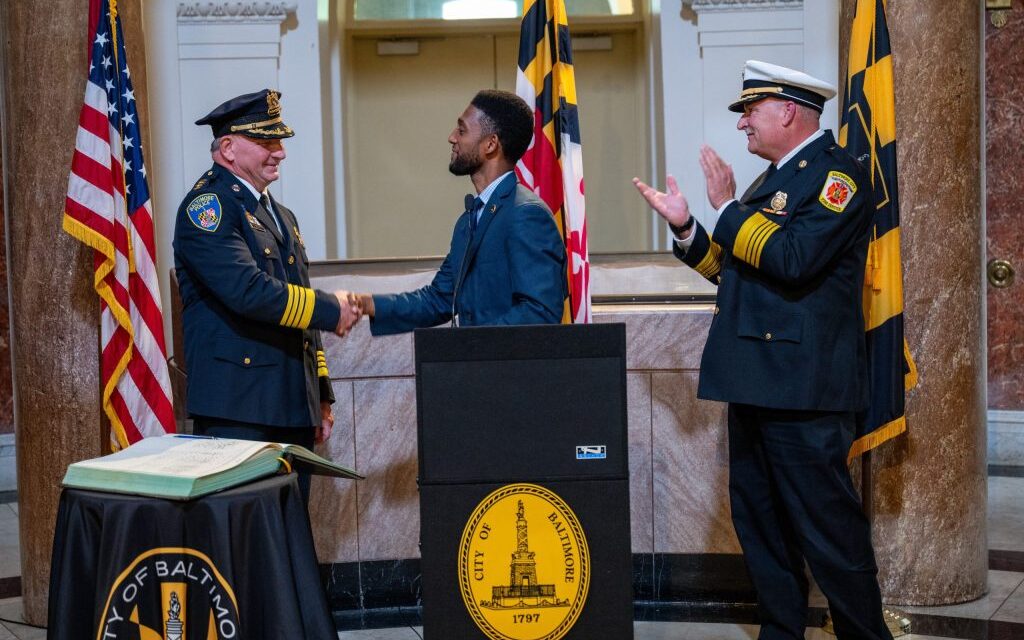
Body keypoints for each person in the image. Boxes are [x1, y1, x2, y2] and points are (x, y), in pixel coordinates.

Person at [633, 60, 892, 640]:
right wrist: (688, 230)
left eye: (751, 110)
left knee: (828, 533)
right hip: (757, 381)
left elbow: (793, 260)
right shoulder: (776, 179)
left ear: (789, 112)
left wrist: (726, 209)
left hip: (803, 391)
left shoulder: (836, 177)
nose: (744, 123)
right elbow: (737, 276)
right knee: (762, 529)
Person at [173, 89, 360, 502]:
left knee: (288, 531)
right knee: (244, 537)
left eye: (280, 141)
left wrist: (320, 394)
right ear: (227, 148)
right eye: (265, 142)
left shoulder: (281, 215)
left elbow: (299, 302)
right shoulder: (208, 208)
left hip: (290, 403)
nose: (279, 153)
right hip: (239, 410)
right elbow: (248, 291)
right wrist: (333, 309)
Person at [354, 89, 567, 333]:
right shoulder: (469, 220)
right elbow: (437, 300)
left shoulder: (526, 214)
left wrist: (468, 345)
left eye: (462, 130)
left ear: (490, 144)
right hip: (474, 367)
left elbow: (540, 312)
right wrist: (368, 304)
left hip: (507, 369)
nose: (452, 137)